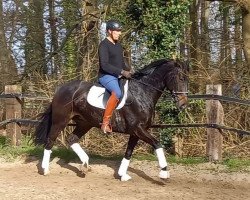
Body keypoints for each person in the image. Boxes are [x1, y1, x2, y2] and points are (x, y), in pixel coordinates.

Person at [98, 19, 132, 134]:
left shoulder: (118, 45)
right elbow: (105, 65)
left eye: (120, 31)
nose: (119, 33)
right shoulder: (103, 45)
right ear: (109, 31)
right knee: (117, 93)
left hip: (117, 75)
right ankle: (105, 123)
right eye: (117, 31)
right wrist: (122, 72)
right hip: (106, 76)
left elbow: (121, 63)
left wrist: (130, 70)